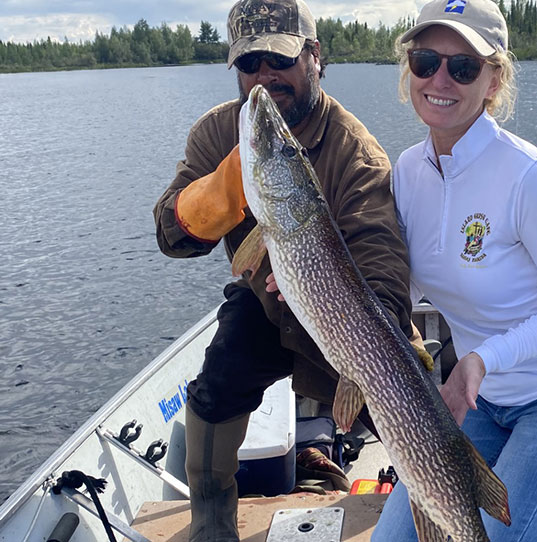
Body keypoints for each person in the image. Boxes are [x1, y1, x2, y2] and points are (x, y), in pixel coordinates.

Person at [153, 1, 429, 540]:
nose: (263, 77)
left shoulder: (357, 153)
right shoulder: (221, 133)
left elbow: (382, 268)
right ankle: (212, 521)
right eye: (249, 62)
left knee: (417, 419)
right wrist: (218, 194)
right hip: (268, 306)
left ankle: (423, 504)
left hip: (351, 324)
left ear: (314, 57)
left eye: (279, 60)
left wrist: (363, 346)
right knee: (216, 384)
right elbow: (170, 237)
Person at [370, 0, 537, 540]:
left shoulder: (530, 178)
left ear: (493, 80)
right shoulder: (408, 172)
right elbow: (409, 281)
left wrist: (483, 359)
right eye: (425, 61)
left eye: (463, 67)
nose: (440, 79)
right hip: (484, 399)